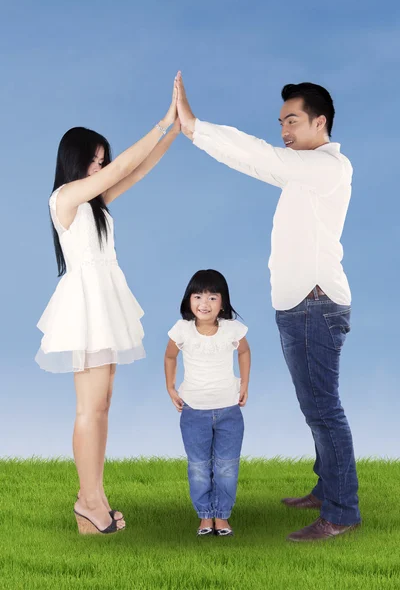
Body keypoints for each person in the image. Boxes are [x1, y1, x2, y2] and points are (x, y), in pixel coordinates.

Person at [175, 71, 361, 542]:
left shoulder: (326, 167)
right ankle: (328, 487)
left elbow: (261, 157)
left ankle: (341, 511)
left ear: (321, 123)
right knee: (315, 406)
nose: (284, 131)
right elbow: (260, 165)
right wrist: (199, 136)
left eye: (292, 121)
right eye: (280, 122)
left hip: (314, 306)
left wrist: (196, 126)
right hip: (302, 306)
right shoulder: (302, 172)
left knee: (323, 409)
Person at [35, 78, 180, 535]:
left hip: (103, 302)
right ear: (74, 161)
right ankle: (88, 504)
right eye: (94, 161)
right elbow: (122, 171)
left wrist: (175, 131)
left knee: (102, 405)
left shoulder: (93, 203)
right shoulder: (64, 198)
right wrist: (161, 122)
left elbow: (133, 172)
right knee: (90, 407)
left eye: (102, 161)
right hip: (87, 307)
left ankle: (93, 497)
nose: (101, 167)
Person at [165, 269, 250, 537]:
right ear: (188, 300)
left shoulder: (232, 329)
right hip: (193, 412)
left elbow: (244, 352)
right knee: (199, 466)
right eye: (198, 296)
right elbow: (170, 357)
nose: (205, 303)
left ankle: (222, 516)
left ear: (222, 302)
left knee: (226, 465)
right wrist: (170, 387)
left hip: (229, 411)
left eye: (213, 297)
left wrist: (245, 382)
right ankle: (205, 516)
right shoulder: (182, 330)